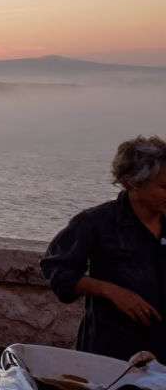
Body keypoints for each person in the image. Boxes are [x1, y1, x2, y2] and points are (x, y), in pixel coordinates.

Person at [40, 135, 166, 359]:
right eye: (164, 186)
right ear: (133, 183)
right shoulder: (95, 223)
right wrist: (111, 291)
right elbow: (56, 270)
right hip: (112, 355)